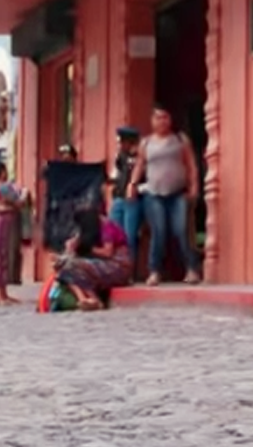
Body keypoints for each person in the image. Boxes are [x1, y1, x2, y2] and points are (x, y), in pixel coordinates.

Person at [128, 105, 202, 286]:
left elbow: (191, 164)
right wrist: (132, 184)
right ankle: (155, 271)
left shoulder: (180, 139)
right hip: (153, 194)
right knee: (158, 231)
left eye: (166, 117)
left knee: (181, 230)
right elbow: (139, 165)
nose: (162, 121)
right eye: (158, 118)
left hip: (178, 193)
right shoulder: (146, 143)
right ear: (152, 121)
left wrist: (194, 187)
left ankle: (192, 269)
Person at [52, 206, 133, 311]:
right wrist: (70, 249)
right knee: (66, 270)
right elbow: (76, 243)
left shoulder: (106, 227)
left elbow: (108, 253)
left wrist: (88, 248)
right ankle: (84, 299)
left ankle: (94, 299)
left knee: (73, 265)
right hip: (101, 265)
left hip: (118, 266)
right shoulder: (90, 229)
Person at [0, 160, 29, 306]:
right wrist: (25, 193)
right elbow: (19, 202)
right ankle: (3, 295)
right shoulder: (4, 187)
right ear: (2, 172)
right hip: (5, 223)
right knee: (2, 257)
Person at [106, 126, 143, 278]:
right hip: (118, 198)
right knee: (113, 234)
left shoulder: (139, 157)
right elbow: (115, 176)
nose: (121, 145)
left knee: (129, 237)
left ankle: (128, 272)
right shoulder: (119, 157)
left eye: (123, 142)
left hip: (132, 200)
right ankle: (115, 269)